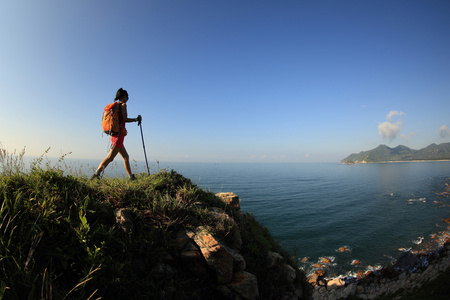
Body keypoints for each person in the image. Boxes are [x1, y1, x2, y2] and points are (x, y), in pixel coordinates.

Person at [91, 88, 142, 180]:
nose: (128, 98)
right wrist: (136, 119)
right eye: (127, 96)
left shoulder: (116, 106)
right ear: (123, 96)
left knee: (126, 156)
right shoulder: (123, 105)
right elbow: (124, 119)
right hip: (118, 135)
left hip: (115, 135)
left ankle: (131, 177)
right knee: (110, 157)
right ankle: (96, 174)